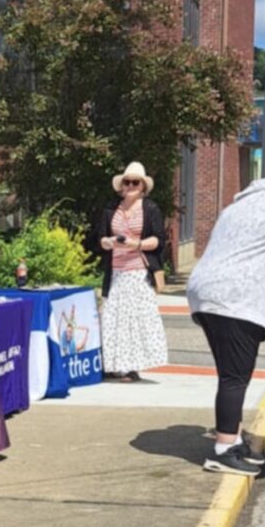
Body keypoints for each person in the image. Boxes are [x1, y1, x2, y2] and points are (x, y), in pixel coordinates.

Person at [188, 158, 265, 476]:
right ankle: (222, 451)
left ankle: (231, 438)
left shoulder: (238, 204)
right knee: (235, 377)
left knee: (229, 374)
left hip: (205, 293)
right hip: (238, 297)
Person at [98, 161, 168, 382]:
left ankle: (132, 367)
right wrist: (108, 242)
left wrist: (135, 244)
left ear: (143, 187)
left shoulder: (150, 209)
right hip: (116, 270)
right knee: (112, 317)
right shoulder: (111, 209)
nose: (130, 186)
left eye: (135, 182)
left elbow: (158, 239)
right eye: (127, 182)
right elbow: (100, 237)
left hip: (139, 270)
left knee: (135, 319)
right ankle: (112, 363)